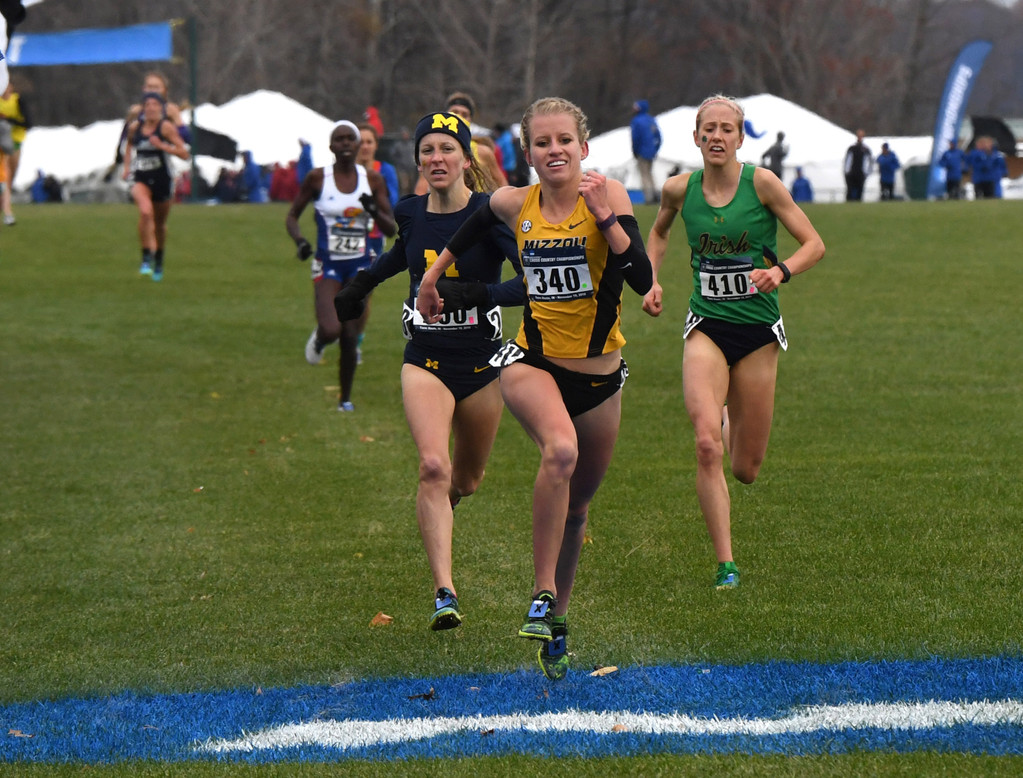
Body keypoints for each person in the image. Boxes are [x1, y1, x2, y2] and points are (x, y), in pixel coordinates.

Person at [417, 97, 653, 681]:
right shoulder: (512, 203)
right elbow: (472, 224)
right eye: (542, 142)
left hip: (600, 377)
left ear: (583, 147)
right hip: (531, 362)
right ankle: (541, 593)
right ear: (527, 152)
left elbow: (642, 277)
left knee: (578, 508)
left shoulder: (610, 195)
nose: (554, 150)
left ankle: (557, 621)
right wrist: (431, 276)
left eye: (564, 140)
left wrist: (604, 218)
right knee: (560, 451)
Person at [334, 111, 524, 634]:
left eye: (446, 149)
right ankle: (445, 591)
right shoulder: (411, 212)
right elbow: (403, 254)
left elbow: (529, 284)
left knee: (466, 480)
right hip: (426, 360)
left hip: (482, 366)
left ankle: (443, 506)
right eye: (427, 151)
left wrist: (478, 293)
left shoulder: (489, 213)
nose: (436, 159)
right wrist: (362, 284)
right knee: (433, 467)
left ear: (465, 159)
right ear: (417, 160)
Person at [642, 94, 825, 589]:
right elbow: (658, 234)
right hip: (706, 325)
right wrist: (651, 279)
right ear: (696, 137)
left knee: (745, 468)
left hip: (758, 332)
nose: (717, 136)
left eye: (727, 128)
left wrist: (780, 272)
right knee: (706, 445)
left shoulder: (762, 183)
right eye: (710, 128)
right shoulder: (678, 189)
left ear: (741, 138)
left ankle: (727, 419)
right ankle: (726, 564)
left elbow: (814, 244)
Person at [284, 120, 396, 412]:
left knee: (349, 334)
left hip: (360, 266)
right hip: (328, 265)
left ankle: (345, 399)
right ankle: (321, 339)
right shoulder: (318, 178)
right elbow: (292, 216)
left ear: (358, 146)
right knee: (333, 329)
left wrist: (373, 210)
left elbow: (390, 229)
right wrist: (300, 242)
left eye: (350, 139)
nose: (345, 143)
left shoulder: (372, 180)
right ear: (331, 146)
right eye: (339, 139)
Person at [122, 92, 190, 282]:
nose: (151, 108)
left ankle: (159, 260)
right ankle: (146, 257)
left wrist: (162, 146)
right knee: (145, 212)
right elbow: (128, 146)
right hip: (141, 177)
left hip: (162, 180)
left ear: (161, 108)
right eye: (148, 105)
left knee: (159, 224)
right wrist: (127, 167)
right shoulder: (135, 128)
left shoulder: (165, 128)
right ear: (143, 108)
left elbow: (184, 153)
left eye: (155, 104)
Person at [355, 121, 401, 364]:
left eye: (369, 142)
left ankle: (356, 341)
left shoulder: (385, 171)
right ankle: (330, 329)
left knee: (363, 292)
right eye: (360, 142)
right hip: (343, 237)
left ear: (375, 145)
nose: (364, 146)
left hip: (373, 237)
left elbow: (392, 204)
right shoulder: (342, 171)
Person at [414, 92, 506, 194]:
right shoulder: (433, 153)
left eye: (464, 115)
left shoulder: (483, 151)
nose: (459, 117)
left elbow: (502, 183)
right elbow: (422, 183)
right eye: (455, 112)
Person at [0, 77, 30, 225]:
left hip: (15, 142)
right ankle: (7, 212)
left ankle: (5, 206)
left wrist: (9, 120)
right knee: (5, 176)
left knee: (10, 177)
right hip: (2, 143)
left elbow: (28, 122)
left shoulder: (17, 101)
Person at [630, 99, 662, 205]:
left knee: (644, 175)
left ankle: (649, 197)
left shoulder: (636, 121)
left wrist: (635, 151)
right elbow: (658, 137)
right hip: (651, 152)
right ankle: (656, 194)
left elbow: (635, 138)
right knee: (650, 173)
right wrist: (655, 149)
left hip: (642, 152)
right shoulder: (651, 120)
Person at [843, 129, 873, 201]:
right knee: (850, 191)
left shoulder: (866, 149)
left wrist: (867, 173)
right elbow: (847, 161)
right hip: (851, 173)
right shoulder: (852, 148)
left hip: (861, 173)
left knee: (860, 192)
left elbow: (870, 162)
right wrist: (846, 172)